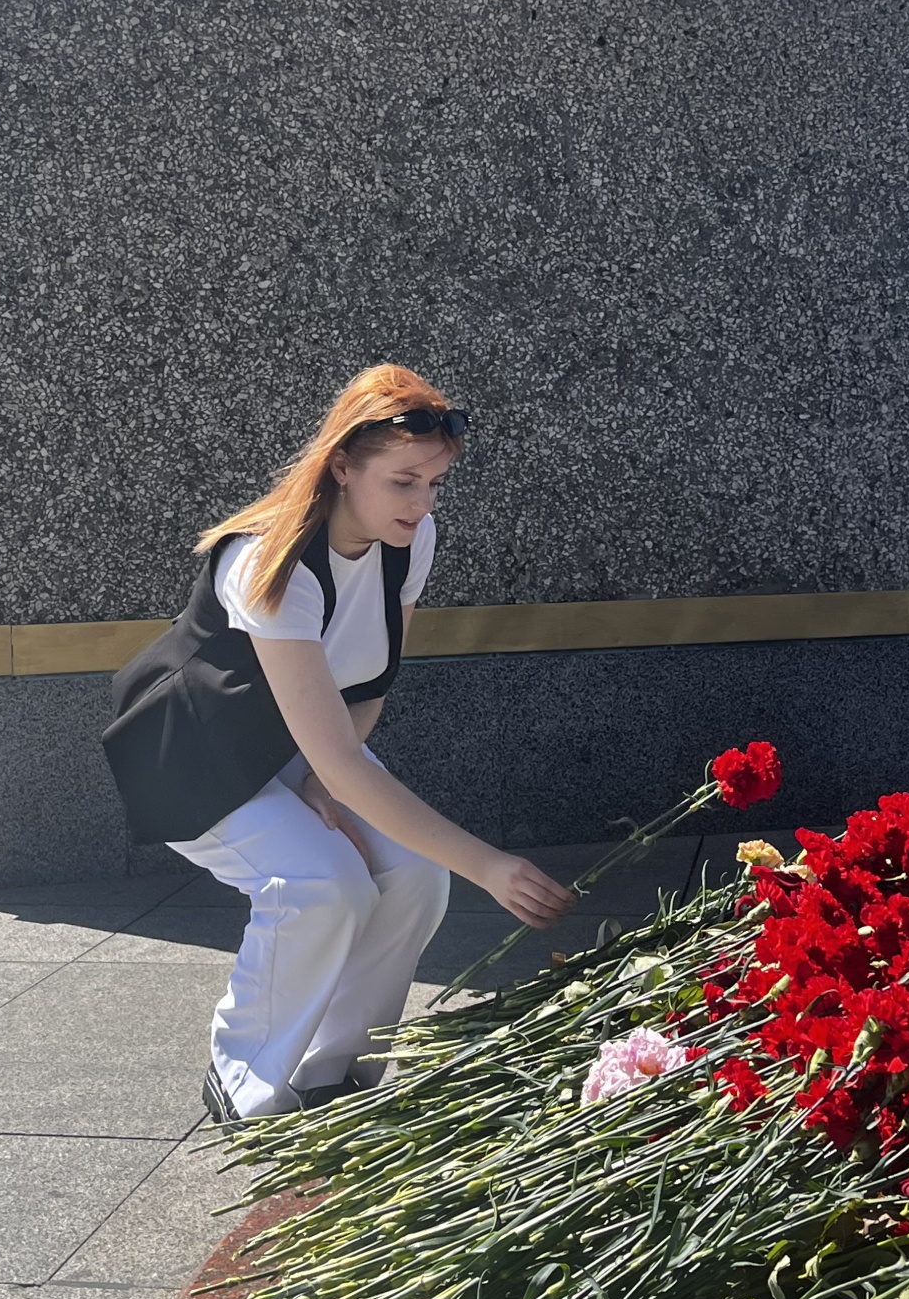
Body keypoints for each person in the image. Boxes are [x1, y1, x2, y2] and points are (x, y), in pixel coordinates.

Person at [102, 363, 576, 1123]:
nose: (422, 504)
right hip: (193, 753)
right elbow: (341, 759)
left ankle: (337, 1074)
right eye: (404, 482)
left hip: (301, 740)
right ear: (343, 467)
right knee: (320, 884)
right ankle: (245, 1081)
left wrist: (327, 781)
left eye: (434, 484)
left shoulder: (408, 543)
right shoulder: (272, 564)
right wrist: (491, 865)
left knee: (417, 874)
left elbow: (371, 680)